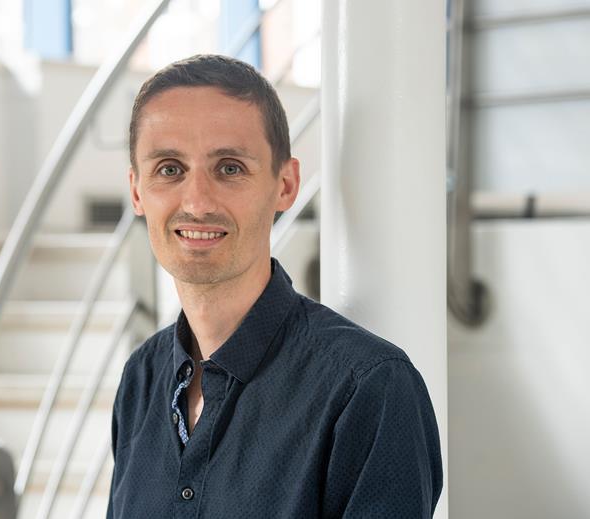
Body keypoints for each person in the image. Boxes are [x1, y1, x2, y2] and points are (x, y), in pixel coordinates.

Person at [106, 54, 442, 518]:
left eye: (229, 168)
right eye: (169, 169)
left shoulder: (369, 388)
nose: (197, 202)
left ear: (285, 184)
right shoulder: (140, 379)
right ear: (137, 191)